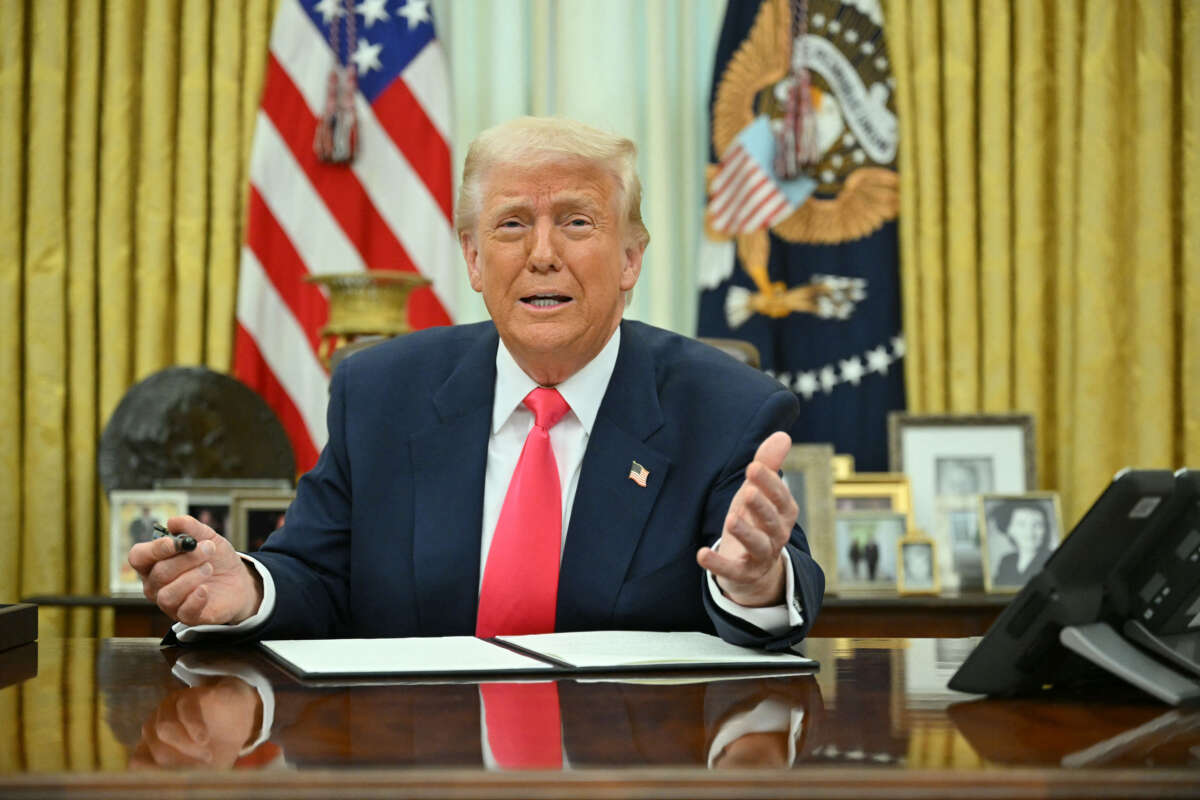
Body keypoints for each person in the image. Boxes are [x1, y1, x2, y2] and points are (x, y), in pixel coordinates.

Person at [129, 117, 824, 650]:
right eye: (512, 225)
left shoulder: (726, 407)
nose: (543, 255)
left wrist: (755, 584)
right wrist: (249, 590)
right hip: (425, 761)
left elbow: (771, 585)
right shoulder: (381, 393)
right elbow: (315, 574)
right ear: (472, 258)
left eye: (577, 222)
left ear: (631, 259)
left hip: (626, 765)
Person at [989, 501, 1053, 587]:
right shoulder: (1007, 561)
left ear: (1046, 530)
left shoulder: (1052, 559)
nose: (1030, 532)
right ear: (1009, 530)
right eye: (1021, 525)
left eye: (1038, 525)